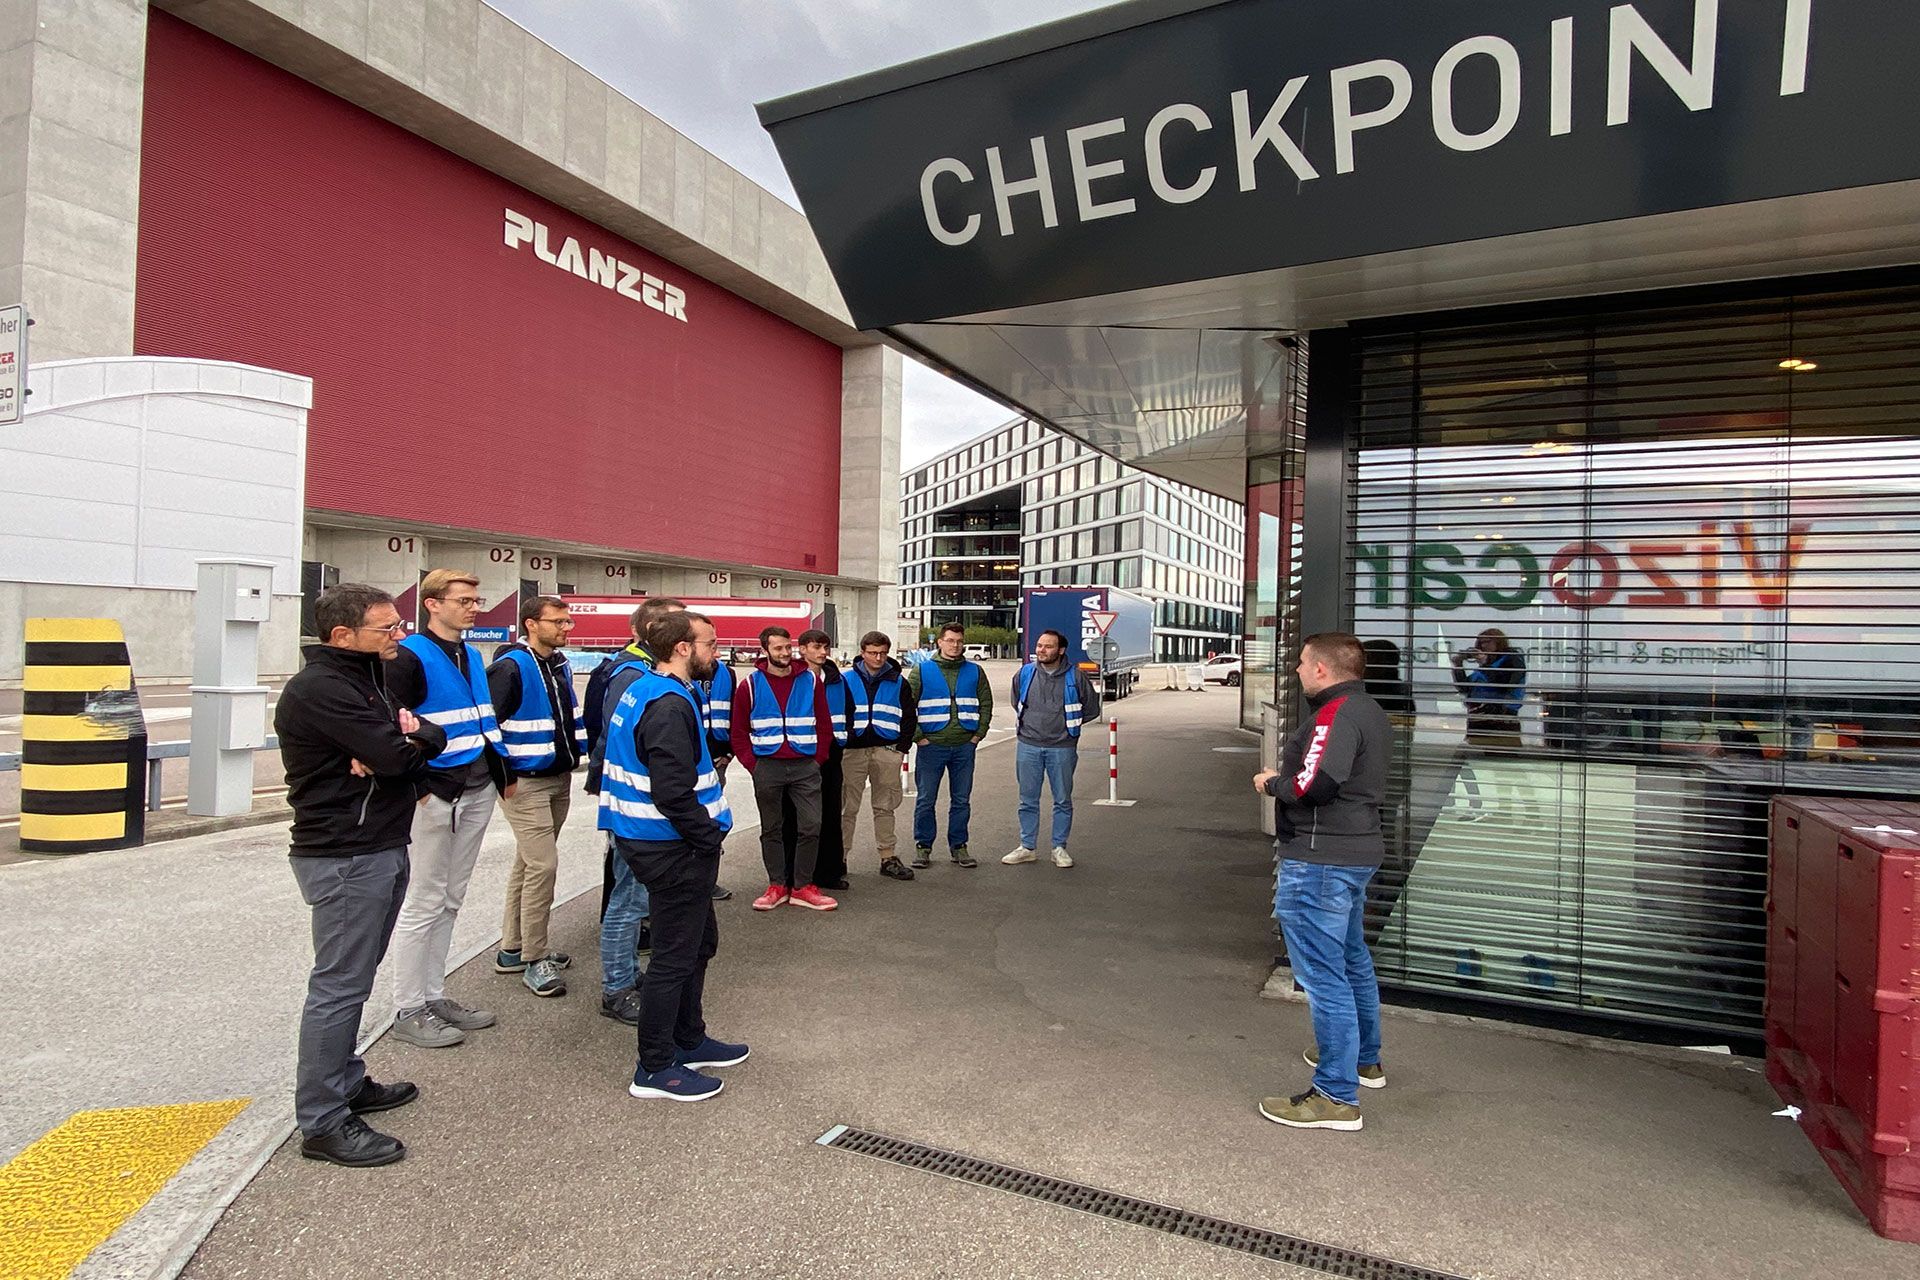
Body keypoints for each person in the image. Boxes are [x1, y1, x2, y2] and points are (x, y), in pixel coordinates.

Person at [275, 584, 448, 1167]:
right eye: (386, 628)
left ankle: (345, 1080)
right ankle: (323, 1119)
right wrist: (399, 743)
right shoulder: (322, 690)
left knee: (355, 974)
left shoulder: (366, 679)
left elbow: (427, 738)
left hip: (377, 844)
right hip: (345, 853)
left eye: (399, 625)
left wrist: (408, 737)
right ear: (341, 636)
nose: (398, 637)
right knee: (340, 983)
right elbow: (399, 758)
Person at [600, 610, 747, 1101]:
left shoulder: (648, 687)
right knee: (673, 957)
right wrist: (706, 837)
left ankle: (690, 1038)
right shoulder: (666, 703)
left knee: (699, 944)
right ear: (682, 648)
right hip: (671, 846)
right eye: (709, 643)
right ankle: (655, 1067)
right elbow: (672, 790)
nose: (717, 651)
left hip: (664, 841)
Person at [1252, 631, 1391, 1132]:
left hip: (1319, 861)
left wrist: (1272, 784)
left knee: (1323, 976)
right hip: (1352, 854)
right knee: (1351, 958)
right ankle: (1363, 1059)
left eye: (1302, 663)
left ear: (1323, 669)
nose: (1296, 671)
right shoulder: (1369, 710)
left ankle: (1335, 1095)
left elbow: (1315, 786)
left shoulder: (1335, 715)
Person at [385, 569, 513, 1048]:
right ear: (432, 604)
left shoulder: (470, 655)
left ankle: (434, 995)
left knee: (451, 897)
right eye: (463, 599)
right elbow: (392, 725)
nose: (473, 606)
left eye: (476, 599)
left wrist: (501, 778)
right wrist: (420, 785)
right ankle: (408, 1006)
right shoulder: (410, 656)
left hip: (475, 787)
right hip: (437, 790)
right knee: (424, 899)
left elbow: (479, 721)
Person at [585, 597, 684, 1026]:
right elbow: (621, 743)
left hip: (638, 807)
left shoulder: (638, 670)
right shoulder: (633, 674)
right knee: (627, 900)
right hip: (636, 809)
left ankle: (625, 975)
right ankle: (617, 988)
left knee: (633, 898)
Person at [488, 594, 584, 999]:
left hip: (556, 777)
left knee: (527, 865)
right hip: (524, 783)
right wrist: (504, 777)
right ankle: (534, 956)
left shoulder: (556, 665)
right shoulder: (511, 667)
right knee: (543, 866)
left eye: (567, 621)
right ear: (531, 623)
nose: (566, 627)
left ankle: (513, 947)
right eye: (558, 621)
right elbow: (487, 726)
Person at [731, 625, 837, 911]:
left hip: (805, 765)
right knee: (772, 828)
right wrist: (753, 765)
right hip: (767, 766)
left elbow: (824, 723)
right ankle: (777, 885)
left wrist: (818, 758)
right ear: (764, 650)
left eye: (787, 647)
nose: (785, 653)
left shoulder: (810, 681)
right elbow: (738, 731)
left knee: (811, 825)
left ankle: (802, 887)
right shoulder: (749, 685)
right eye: (778, 648)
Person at [1002, 629, 1099, 869]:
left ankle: (1059, 848)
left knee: (1063, 800)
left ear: (1061, 650)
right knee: (1027, 800)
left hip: (1062, 748)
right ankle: (1027, 847)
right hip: (1028, 745)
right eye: (1039, 645)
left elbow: (1091, 709)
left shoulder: (1075, 677)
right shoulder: (1025, 673)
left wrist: (1067, 730)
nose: (1041, 650)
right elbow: (1017, 701)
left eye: (1048, 646)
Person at [906, 621, 992, 868]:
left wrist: (978, 735)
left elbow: (985, 704)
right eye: (950, 640)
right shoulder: (921, 670)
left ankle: (959, 847)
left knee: (961, 800)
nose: (955, 645)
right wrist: (918, 737)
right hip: (931, 746)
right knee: (925, 799)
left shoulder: (975, 671)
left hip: (965, 746)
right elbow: (907, 707)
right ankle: (923, 847)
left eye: (959, 641)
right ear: (940, 642)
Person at [840, 631, 918, 882]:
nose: (878, 658)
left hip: (887, 750)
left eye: (883, 653)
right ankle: (839, 859)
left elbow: (909, 716)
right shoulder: (845, 679)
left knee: (885, 806)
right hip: (852, 751)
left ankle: (888, 857)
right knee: (846, 808)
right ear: (862, 652)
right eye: (873, 653)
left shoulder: (898, 681)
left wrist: (902, 748)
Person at [784, 629, 849, 890]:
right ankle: (792, 875)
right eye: (817, 647)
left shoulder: (836, 678)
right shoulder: (792, 677)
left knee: (830, 814)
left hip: (831, 753)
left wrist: (841, 742)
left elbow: (849, 711)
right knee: (795, 817)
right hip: (799, 753)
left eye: (826, 647)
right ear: (802, 649)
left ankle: (829, 872)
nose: (823, 652)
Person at [1448, 628, 1528, 819]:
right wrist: (1458, 666)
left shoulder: (1511, 659)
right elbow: (1464, 687)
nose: (1484, 646)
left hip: (1501, 720)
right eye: (1481, 642)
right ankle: (1486, 806)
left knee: (1508, 769)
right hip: (1479, 720)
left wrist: (1484, 662)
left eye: (1488, 642)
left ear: (1500, 642)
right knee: (1471, 763)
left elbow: (1505, 682)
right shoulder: (1484, 666)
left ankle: (1524, 811)